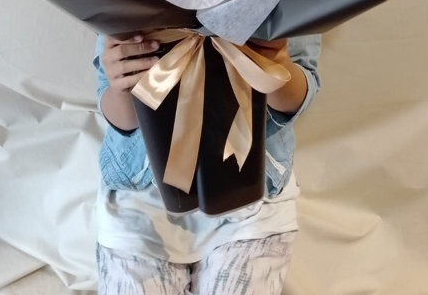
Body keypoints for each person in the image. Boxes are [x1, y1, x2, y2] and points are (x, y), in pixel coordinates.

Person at [93, 30, 322, 295]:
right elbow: (115, 112)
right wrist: (123, 82)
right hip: (141, 207)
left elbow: (300, 92)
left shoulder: (290, 1)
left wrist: (274, 64)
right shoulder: (125, 3)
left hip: (252, 206)